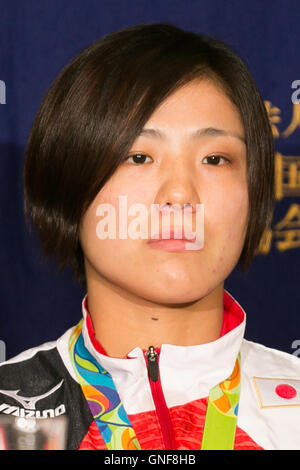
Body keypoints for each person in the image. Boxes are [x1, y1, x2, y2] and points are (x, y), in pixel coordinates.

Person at [0, 22, 299, 451]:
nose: (180, 193)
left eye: (215, 159)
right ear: (68, 183)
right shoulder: (10, 415)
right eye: (139, 156)